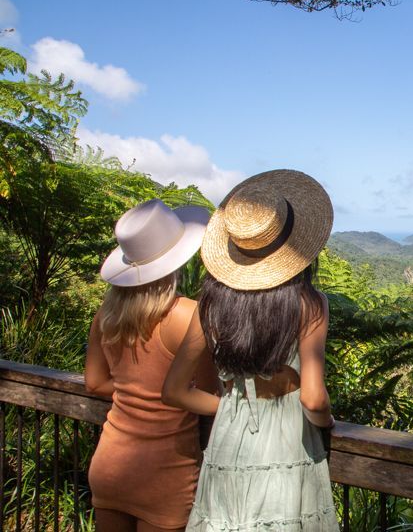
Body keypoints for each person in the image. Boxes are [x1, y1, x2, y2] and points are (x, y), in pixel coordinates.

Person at [162, 169, 339, 531]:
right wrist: (327, 425)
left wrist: (231, 406)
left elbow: (174, 391)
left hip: (227, 442)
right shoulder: (310, 305)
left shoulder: (209, 306)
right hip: (288, 444)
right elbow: (313, 399)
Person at [85, 199, 215, 532]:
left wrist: (136, 388)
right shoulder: (189, 316)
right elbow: (209, 391)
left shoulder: (107, 316)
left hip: (111, 462)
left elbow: (95, 384)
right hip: (166, 472)